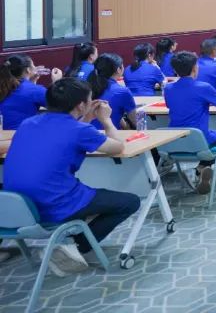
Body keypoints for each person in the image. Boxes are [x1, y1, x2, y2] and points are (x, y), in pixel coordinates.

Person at [3, 78, 140, 276]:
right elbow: (118, 147)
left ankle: (71, 241)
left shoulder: (28, 123)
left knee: (86, 194)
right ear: (81, 105)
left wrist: (86, 118)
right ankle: (75, 247)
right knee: (130, 202)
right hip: (54, 204)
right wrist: (106, 120)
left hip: (15, 207)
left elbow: (68, 132)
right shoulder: (79, 130)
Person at [164, 52, 216, 192]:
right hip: (199, 141)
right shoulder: (203, 87)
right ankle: (199, 168)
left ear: (174, 70)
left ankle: (197, 171)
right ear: (194, 68)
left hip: (174, 141)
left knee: (208, 137)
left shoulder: (168, 88)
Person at [0, 54, 60, 130]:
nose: (35, 67)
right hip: (22, 133)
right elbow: (60, 106)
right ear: (28, 70)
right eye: (33, 65)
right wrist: (57, 83)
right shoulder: (34, 90)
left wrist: (32, 82)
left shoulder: (4, 85)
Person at [87, 54, 136, 129]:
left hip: (86, 132)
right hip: (110, 133)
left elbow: (115, 112)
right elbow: (136, 121)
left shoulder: (88, 86)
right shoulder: (123, 91)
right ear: (118, 69)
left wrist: (125, 126)